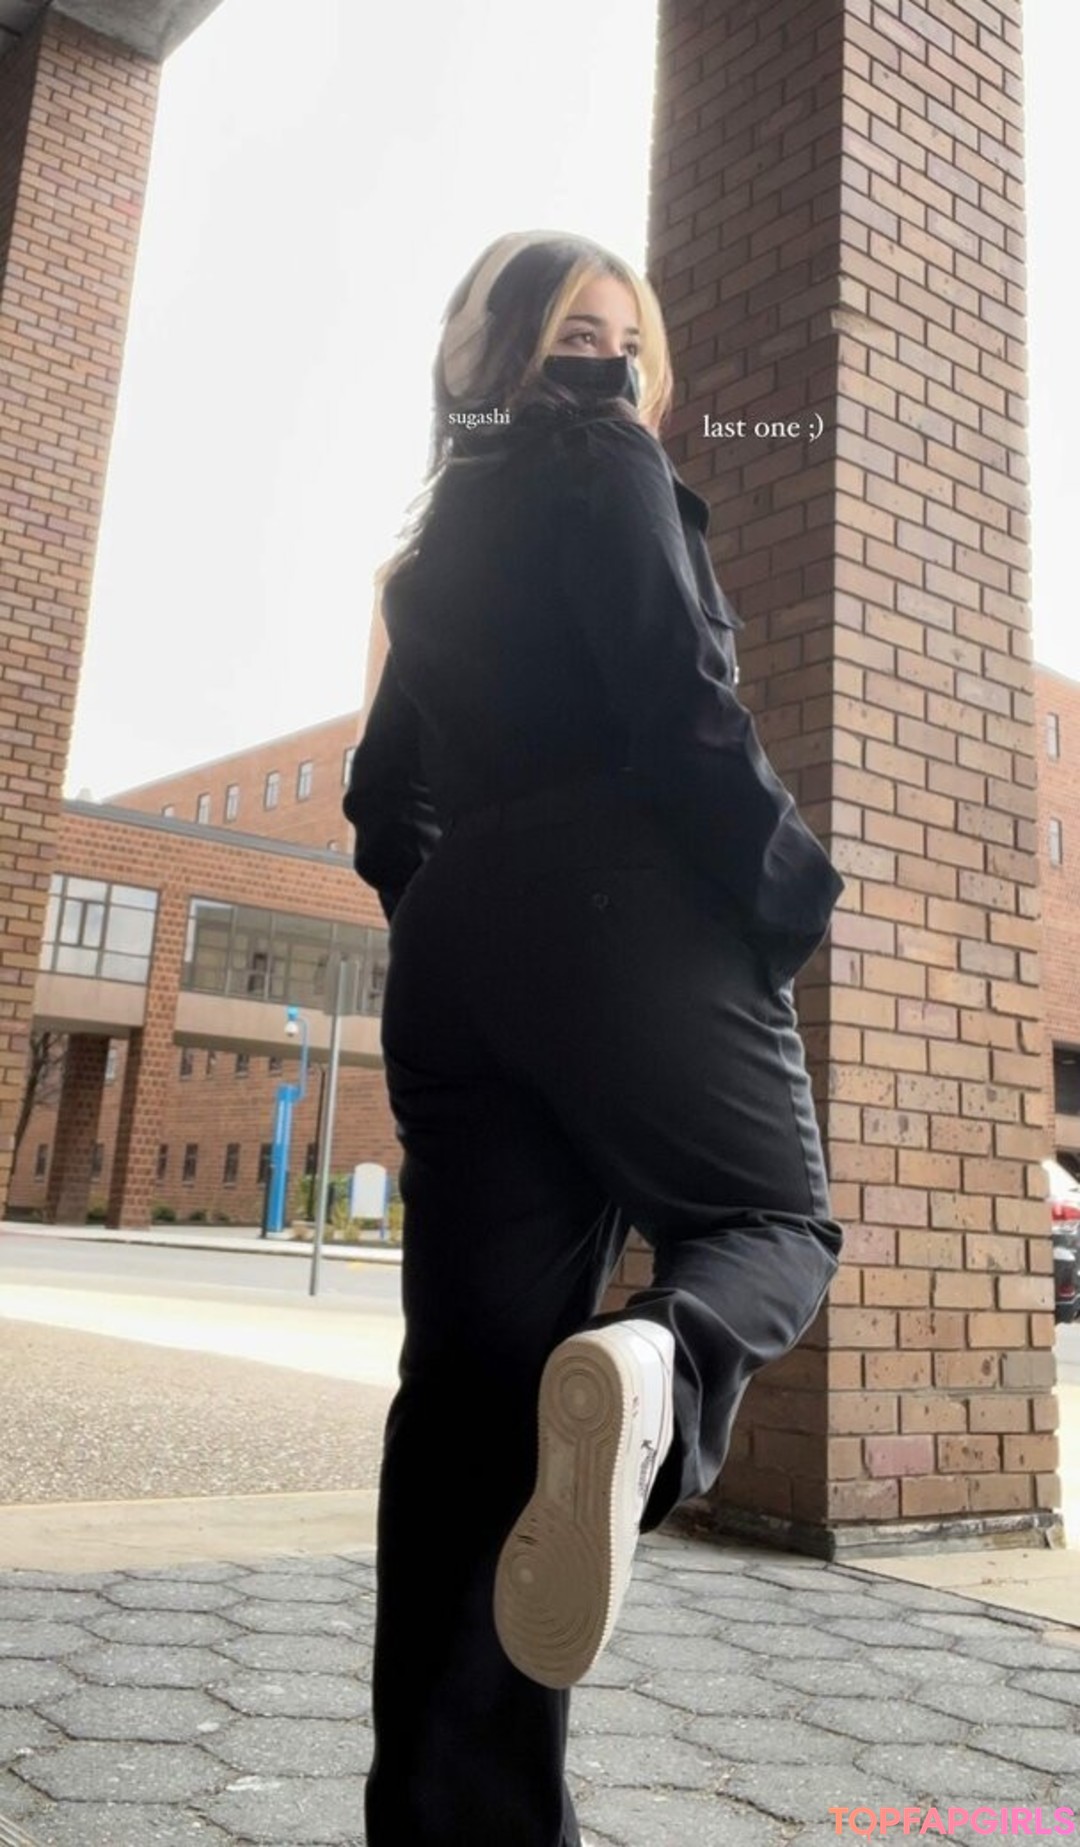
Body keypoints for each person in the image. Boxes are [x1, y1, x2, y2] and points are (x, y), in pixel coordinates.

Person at [343, 229, 846, 1847]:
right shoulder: (608, 462)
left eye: (631, 343)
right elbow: (684, 699)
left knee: (465, 1412)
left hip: (455, 947)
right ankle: (658, 1366)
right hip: (620, 905)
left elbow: (380, 805)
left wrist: (467, 922)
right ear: (503, 352)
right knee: (772, 1224)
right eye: (581, 336)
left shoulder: (433, 546)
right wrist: (784, 895)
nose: (615, 368)